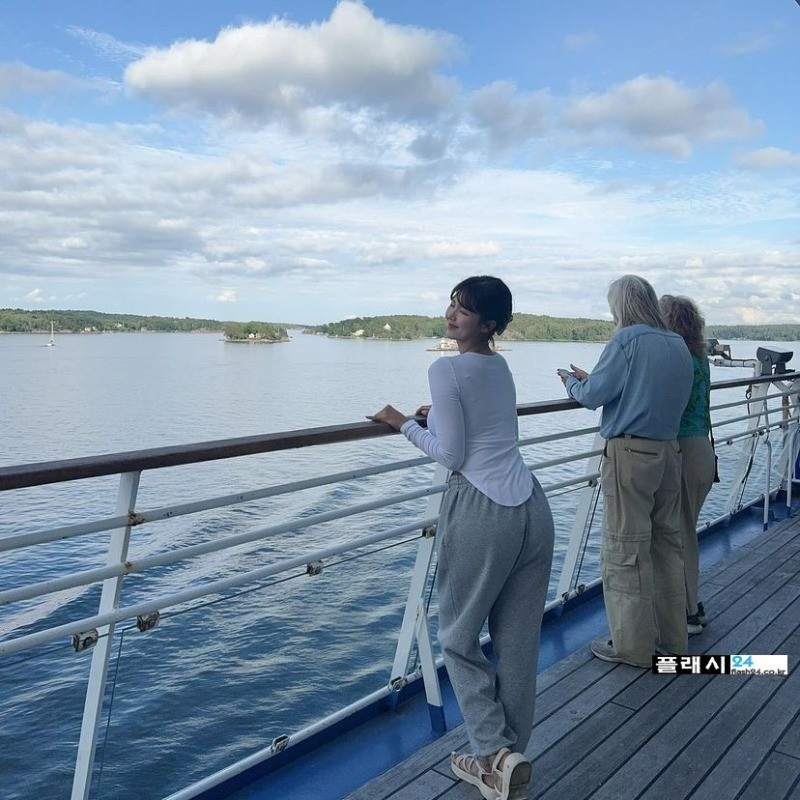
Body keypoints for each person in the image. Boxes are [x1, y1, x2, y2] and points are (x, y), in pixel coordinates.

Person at [368, 276, 554, 800]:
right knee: (518, 644)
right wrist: (438, 414)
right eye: (452, 304)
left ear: (487, 323)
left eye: (465, 310)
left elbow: (451, 456)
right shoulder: (499, 364)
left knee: (457, 635)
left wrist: (401, 421)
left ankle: (492, 751)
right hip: (531, 506)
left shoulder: (444, 367)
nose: (452, 315)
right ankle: (507, 758)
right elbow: (486, 424)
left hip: (481, 508)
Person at [559, 275, 692, 668]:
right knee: (667, 548)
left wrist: (571, 383)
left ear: (620, 306)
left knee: (625, 549)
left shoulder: (626, 340)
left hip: (630, 455)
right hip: (670, 452)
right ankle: (673, 641)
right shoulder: (676, 343)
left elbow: (593, 397)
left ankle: (632, 647)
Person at [659, 294, 716, 635]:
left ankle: (688, 612)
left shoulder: (676, 357)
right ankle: (690, 604)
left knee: (679, 535)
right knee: (686, 532)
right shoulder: (700, 356)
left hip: (682, 450)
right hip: (703, 452)